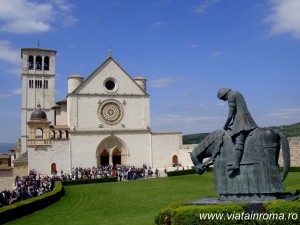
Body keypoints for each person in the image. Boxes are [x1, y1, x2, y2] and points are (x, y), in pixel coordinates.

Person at [217, 88, 258, 171]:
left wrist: (225, 125)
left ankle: (236, 164)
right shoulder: (236, 93)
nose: (224, 100)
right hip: (243, 118)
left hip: (241, 120)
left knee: (239, 141)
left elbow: (230, 113)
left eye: (223, 98)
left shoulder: (231, 96)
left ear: (224, 95)